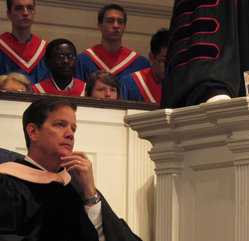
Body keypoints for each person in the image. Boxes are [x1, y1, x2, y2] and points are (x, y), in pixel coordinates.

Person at [0, 97, 142, 240]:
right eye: (60, 124)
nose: (70, 134)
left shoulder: (77, 186)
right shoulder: (8, 184)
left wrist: (90, 195)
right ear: (33, 132)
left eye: (73, 128)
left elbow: (112, 235)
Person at [76, 4, 149, 81]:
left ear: (124, 27)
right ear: (99, 25)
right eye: (110, 21)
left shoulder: (140, 63)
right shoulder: (83, 61)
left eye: (120, 22)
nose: (116, 25)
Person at [0, 0, 50, 84]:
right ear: (8, 14)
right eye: (19, 8)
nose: (25, 13)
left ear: (34, 12)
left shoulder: (45, 51)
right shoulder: (2, 47)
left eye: (30, 8)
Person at [120, 28, 167, 103]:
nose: (169, 66)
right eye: (164, 61)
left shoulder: (180, 86)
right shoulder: (131, 83)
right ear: (151, 57)